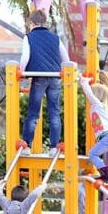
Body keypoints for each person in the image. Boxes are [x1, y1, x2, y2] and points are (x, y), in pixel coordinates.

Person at [20, 9, 70, 157]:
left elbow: (25, 56)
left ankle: (27, 146)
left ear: (32, 23)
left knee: (33, 114)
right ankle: (54, 148)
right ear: (44, 22)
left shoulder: (29, 37)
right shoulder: (55, 38)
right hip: (55, 77)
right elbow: (66, 58)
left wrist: (21, 73)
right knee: (54, 113)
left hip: (39, 77)